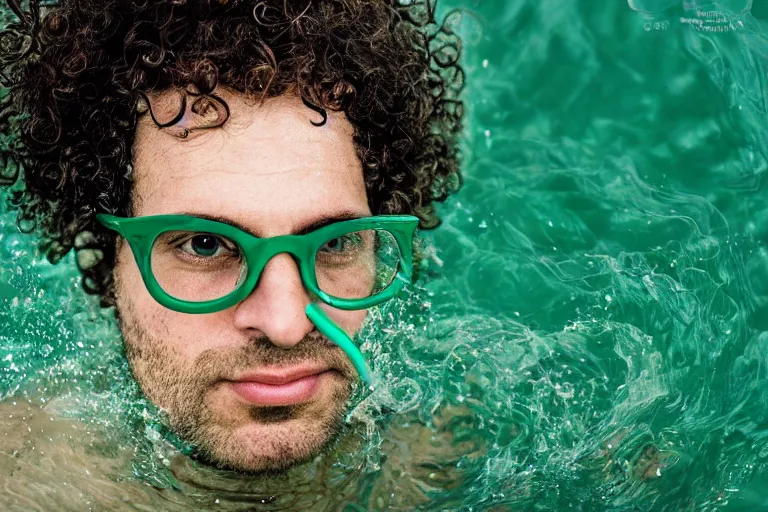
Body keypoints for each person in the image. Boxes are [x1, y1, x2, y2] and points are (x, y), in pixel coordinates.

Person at [0, 0, 463, 481]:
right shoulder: (16, 481)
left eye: (334, 244)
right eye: (204, 244)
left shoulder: (460, 463)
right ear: (106, 256)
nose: (285, 325)